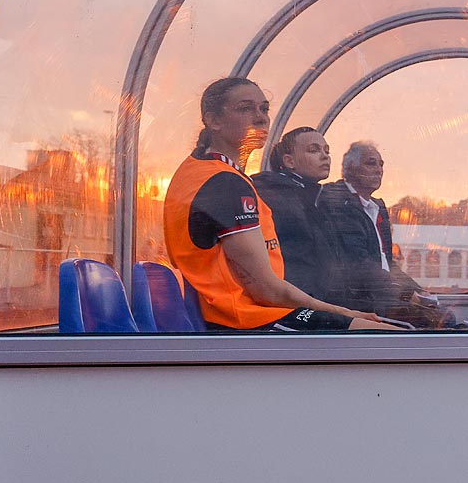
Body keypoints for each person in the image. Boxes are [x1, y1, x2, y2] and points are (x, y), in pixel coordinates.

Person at [164, 78, 395, 332]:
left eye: (264, 109)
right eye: (245, 108)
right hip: (243, 319)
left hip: (245, 312)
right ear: (213, 120)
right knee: (386, 336)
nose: (260, 117)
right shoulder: (224, 183)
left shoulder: (205, 170)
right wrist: (344, 312)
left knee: (373, 328)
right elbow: (266, 290)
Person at [317, 141, 441, 326]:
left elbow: (386, 263)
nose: (378, 170)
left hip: (380, 295)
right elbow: (358, 263)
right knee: (434, 321)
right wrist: (406, 293)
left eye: (381, 164)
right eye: (371, 163)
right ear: (349, 168)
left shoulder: (377, 207)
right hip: (357, 300)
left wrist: (418, 290)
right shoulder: (337, 200)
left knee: (439, 314)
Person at [252, 126, 343, 303]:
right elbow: (295, 263)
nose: (325, 156)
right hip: (296, 305)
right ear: (289, 161)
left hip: (315, 302)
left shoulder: (313, 198)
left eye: (326, 150)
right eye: (313, 150)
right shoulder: (276, 198)